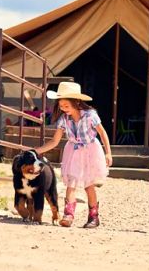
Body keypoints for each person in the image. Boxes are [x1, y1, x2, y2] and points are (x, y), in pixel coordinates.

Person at [35, 82, 112, 228]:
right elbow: (55, 141)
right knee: (71, 183)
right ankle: (68, 215)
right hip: (73, 153)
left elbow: (102, 133)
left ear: (76, 102)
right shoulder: (63, 119)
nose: (63, 109)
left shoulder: (90, 115)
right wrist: (37, 151)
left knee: (89, 185)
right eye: (61, 106)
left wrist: (108, 153)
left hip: (90, 152)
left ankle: (93, 217)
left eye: (66, 105)